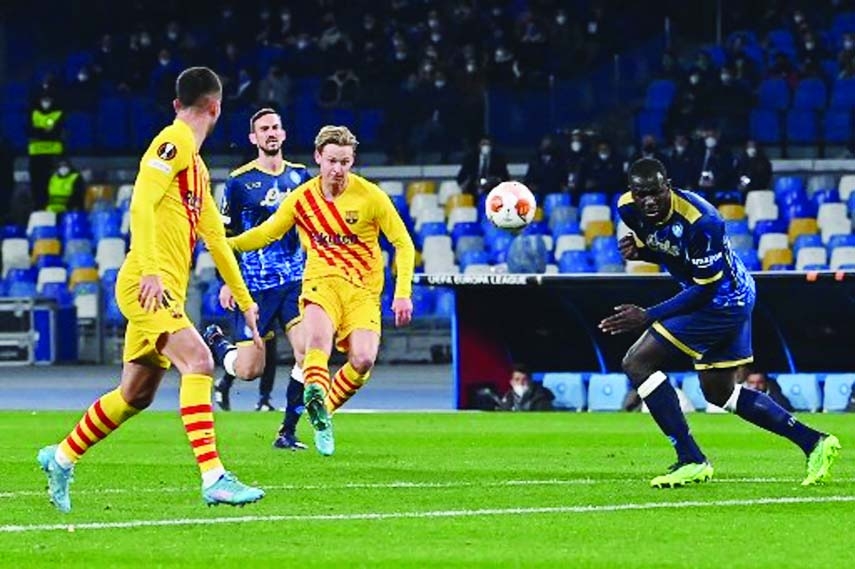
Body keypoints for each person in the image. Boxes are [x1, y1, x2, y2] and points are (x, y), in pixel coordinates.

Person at [37, 67, 265, 513]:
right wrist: (150, 268)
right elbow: (140, 200)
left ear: (178, 102)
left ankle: (61, 457)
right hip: (147, 285)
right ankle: (214, 477)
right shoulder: (173, 141)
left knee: (135, 395)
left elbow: (216, 239)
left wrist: (246, 299)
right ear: (216, 108)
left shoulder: (197, 170)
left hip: (160, 292)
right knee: (199, 361)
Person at [598, 157, 840, 488]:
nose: (649, 201)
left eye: (655, 192)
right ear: (632, 193)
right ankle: (815, 442)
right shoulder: (628, 209)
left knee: (637, 362)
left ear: (668, 186)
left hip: (721, 301)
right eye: (642, 194)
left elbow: (704, 289)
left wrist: (647, 315)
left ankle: (691, 459)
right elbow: (673, 250)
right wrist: (643, 252)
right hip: (727, 295)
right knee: (719, 393)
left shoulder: (703, 220)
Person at [229, 125, 415, 456]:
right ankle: (314, 394)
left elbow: (403, 244)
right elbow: (265, 233)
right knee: (316, 343)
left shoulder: (371, 197)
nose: (337, 169)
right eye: (331, 161)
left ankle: (323, 411)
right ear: (318, 158)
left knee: (362, 359)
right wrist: (224, 244)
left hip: (362, 291)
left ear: (352, 160)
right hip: (320, 283)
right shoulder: (301, 199)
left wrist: (402, 292)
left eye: (344, 162)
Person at [203, 107, 312, 451]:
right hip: (254, 287)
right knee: (249, 369)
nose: (270, 133)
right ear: (253, 138)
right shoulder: (238, 182)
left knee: (307, 355)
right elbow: (225, 237)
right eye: (263, 128)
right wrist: (226, 281)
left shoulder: (301, 176)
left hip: (295, 282)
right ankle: (218, 341)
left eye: (275, 127)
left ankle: (287, 432)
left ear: (283, 134)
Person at [28, 92, 65, 211]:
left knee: (53, 184)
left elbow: (57, 132)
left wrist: (40, 131)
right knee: (37, 185)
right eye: (43, 100)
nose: (46, 103)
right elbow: (30, 131)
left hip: (53, 156)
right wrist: (46, 132)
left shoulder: (58, 114)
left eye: (48, 100)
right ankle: (38, 208)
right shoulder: (33, 113)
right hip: (36, 156)